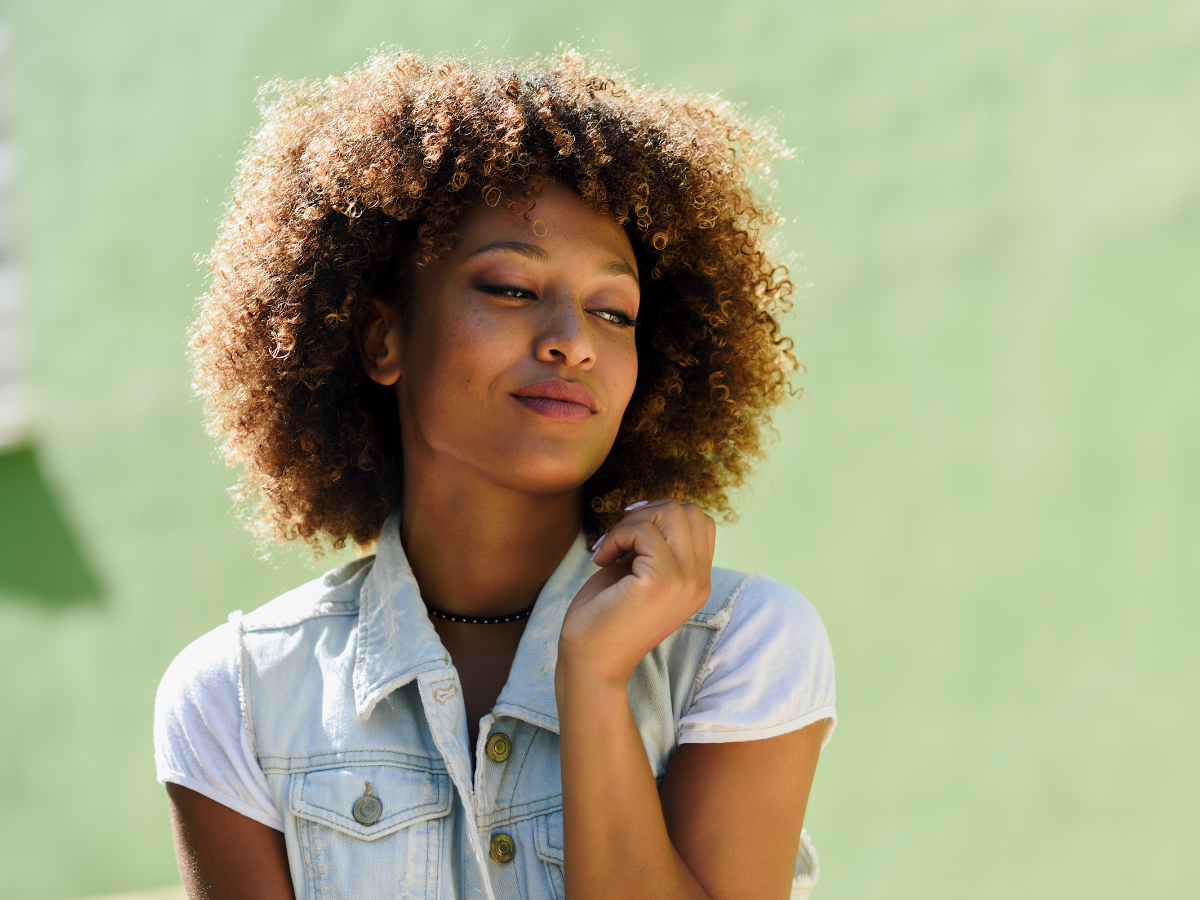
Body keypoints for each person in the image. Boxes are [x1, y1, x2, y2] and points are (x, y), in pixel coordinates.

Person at [154, 48, 836, 900]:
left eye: (613, 311)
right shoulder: (238, 698)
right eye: (513, 288)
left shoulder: (742, 644)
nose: (573, 340)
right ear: (382, 339)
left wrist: (592, 678)